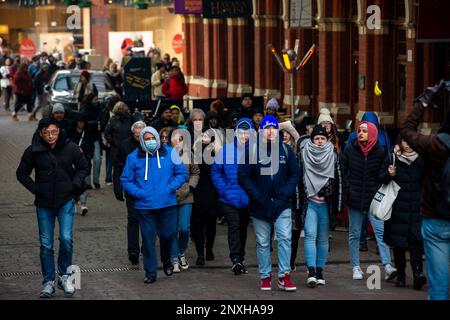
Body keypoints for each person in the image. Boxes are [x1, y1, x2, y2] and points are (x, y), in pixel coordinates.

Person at [16, 118, 89, 298]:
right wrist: (36, 189)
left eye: (54, 132)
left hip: (65, 201)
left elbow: (83, 166)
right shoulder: (34, 150)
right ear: (41, 133)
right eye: (47, 132)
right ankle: (48, 281)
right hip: (44, 204)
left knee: (66, 239)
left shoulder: (70, 147)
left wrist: (74, 185)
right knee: (46, 245)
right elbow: (21, 173)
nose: (51, 136)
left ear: (59, 131)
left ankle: (64, 276)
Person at [238, 116, 301, 291]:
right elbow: (243, 177)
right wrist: (258, 196)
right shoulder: (251, 151)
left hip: (282, 204)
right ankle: (265, 276)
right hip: (260, 205)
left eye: (273, 128)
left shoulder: (286, 150)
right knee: (263, 243)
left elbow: (295, 174)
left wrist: (283, 195)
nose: (270, 131)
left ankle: (284, 275)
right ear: (261, 131)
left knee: (285, 239)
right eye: (267, 128)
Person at [400, 80, 450, 300]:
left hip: (436, 220)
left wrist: (424, 103)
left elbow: (407, 131)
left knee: (438, 288)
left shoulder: (435, 145)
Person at [120, 126, 188, 283]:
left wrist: (169, 188)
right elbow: (125, 179)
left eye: (152, 138)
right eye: (147, 139)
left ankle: (166, 260)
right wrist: (139, 193)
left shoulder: (171, 153)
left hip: (167, 204)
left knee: (167, 235)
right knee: (148, 239)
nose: (150, 141)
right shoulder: (133, 158)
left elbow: (182, 173)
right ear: (142, 141)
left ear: (158, 138)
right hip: (145, 206)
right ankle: (150, 272)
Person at [342, 121, 397, 281]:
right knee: (354, 233)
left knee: (381, 232)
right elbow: (342, 169)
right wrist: (347, 190)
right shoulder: (350, 148)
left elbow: (382, 178)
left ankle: (387, 266)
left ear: (372, 134)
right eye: (359, 130)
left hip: (374, 199)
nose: (360, 133)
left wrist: (390, 174)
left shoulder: (380, 152)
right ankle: (356, 267)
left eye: (364, 131)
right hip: (355, 198)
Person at [379, 138, 426, 289]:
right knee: (398, 245)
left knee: (415, 244)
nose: (408, 144)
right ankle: (401, 275)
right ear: (400, 142)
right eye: (405, 140)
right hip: (397, 208)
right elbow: (381, 179)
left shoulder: (422, 159)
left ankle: (418, 274)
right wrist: (389, 174)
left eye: (411, 140)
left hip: (416, 209)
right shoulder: (392, 158)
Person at [298, 125, 342, 287]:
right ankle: (311, 272)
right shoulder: (303, 154)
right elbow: (299, 178)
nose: (320, 141)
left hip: (326, 204)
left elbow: (339, 180)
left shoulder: (333, 154)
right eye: (316, 138)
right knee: (310, 235)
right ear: (312, 139)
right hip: (310, 202)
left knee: (323, 239)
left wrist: (338, 206)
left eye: (322, 138)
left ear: (327, 139)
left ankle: (319, 271)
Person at [211, 118, 254, 275]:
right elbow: (216, 171)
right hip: (229, 197)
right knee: (234, 226)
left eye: (247, 132)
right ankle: (235, 259)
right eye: (241, 132)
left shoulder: (256, 151)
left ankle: (240, 258)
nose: (244, 135)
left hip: (248, 198)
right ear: (236, 133)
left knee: (243, 229)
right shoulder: (226, 150)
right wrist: (224, 190)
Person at [346, 111, 392, 252]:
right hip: (375, 182)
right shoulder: (383, 135)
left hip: (361, 182)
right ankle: (379, 245)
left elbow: (347, 158)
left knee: (363, 215)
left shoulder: (355, 135)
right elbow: (389, 156)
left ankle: (362, 241)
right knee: (377, 215)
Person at [113, 121, 146, 265]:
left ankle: (146, 247)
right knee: (133, 219)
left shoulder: (151, 144)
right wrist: (117, 187)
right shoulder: (124, 145)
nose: (139, 137)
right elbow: (118, 167)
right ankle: (133, 250)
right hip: (131, 188)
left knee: (147, 219)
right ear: (133, 134)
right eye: (136, 135)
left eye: (141, 134)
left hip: (148, 189)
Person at [191, 127, 224, 265]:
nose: (205, 136)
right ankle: (200, 253)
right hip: (198, 190)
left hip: (212, 190)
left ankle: (209, 248)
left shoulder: (218, 153)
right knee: (197, 222)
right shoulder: (194, 151)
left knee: (211, 222)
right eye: (203, 134)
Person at [169, 129, 200, 272]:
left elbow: (195, 172)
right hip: (169, 197)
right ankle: (174, 257)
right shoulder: (165, 156)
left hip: (187, 196)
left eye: (180, 139)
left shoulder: (189, 155)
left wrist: (191, 186)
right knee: (172, 229)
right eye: (175, 140)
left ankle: (181, 251)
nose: (177, 143)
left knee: (184, 228)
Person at [279, 121, 301, 271]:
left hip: (296, 197)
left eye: (288, 133)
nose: (285, 135)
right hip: (278, 196)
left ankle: (290, 260)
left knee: (294, 231)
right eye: (282, 133)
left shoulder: (298, 153)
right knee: (281, 234)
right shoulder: (273, 151)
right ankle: (282, 262)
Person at [67, 112, 96, 216]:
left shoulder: (88, 133)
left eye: (82, 122)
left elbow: (91, 145)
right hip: (72, 162)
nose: (80, 124)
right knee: (74, 183)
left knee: (84, 183)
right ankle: (74, 202)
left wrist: (89, 155)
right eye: (79, 122)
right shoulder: (70, 133)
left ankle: (83, 204)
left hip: (85, 162)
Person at [104, 101, 134, 184]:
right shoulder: (112, 120)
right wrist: (112, 141)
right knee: (117, 166)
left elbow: (134, 130)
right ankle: (116, 181)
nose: (120, 110)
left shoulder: (130, 118)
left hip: (128, 146)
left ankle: (128, 180)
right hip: (116, 147)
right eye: (119, 109)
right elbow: (107, 132)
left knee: (128, 164)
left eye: (122, 108)